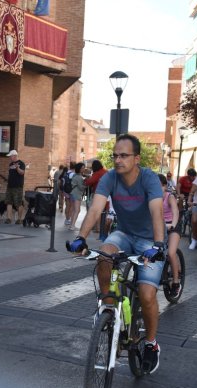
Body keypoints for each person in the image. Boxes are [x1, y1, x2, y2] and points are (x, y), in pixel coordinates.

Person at [67, 134, 165, 374]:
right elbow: (96, 209)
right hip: (124, 234)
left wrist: (159, 245)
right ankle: (109, 312)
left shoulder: (149, 179)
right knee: (104, 256)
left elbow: (156, 212)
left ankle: (151, 344)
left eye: (124, 155)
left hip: (149, 241)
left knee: (147, 294)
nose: (118, 160)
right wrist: (81, 237)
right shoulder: (110, 178)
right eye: (115, 156)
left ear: (137, 158)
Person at [158, 173, 182, 298]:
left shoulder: (169, 196)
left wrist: (172, 224)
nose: (158, 190)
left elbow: (175, 212)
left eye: (160, 186)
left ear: (165, 186)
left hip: (172, 226)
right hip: (159, 226)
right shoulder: (151, 197)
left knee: (171, 253)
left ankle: (176, 283)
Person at [84, 160, 108, 233]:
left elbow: (90, 182)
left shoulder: (97, 173)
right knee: (104, 211)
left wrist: (86, 180)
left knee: (97, 210)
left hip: (98, 193)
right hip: (107, 193)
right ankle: (103, 228)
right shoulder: (105, 172)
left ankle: (97, 228)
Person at [5, 149, 26, 224]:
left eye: (11, 156)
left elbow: (22, 173)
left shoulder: (21, 163)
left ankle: (20, 219)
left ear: (15, 156)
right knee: (9, 202)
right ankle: (9, 218)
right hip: (10, 186)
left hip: (18, 187)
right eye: (10, 156)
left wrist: (17, 168)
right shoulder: (10, 164)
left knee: (18, 203)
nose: (10, 157)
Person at [68, 162, 86, 231]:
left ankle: (71, 225)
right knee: (77, 210)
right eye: (82, 168)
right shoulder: (79, 177)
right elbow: (81, 187)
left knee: (73, 210)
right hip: (76, 194)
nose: (83, 169)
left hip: (72, 194)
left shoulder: (75, 176)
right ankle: (72, 225)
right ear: (79, 169)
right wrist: (85, 184)